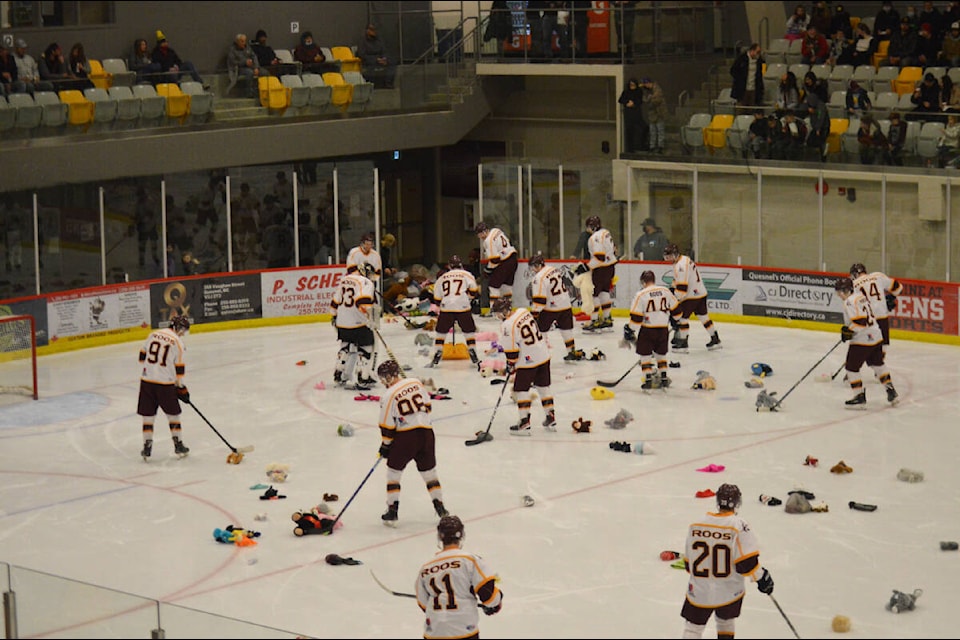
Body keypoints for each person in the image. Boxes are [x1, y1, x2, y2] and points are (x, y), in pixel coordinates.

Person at [680, 483, 774, 639]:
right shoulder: (739, 525)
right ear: (737, 503)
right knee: (725, 622)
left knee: (693, 629)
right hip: (729, 591)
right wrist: (762, 578)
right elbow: (746, 564)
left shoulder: (696, 524)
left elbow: (689, 565)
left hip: (699, 590)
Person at [375, 359, 449, 526]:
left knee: (394, 473)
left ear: (387, 377)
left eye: (382, 378)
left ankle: (392, 511)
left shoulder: (388, 396)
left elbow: (387, 424)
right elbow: (428, 407)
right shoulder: (416, 382)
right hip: (427, 433)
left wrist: (385, 445)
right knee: (429, 472)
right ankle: (441, 508)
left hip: (406, 437)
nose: (381, 382)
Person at [416, 515, 503, 639]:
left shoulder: (426, 568)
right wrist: (496, 602)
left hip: (434, 633)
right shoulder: (470, 561)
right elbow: (489, 596)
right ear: (461, 535)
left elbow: (423, 603)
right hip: (464, 631)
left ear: (440, 537)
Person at [492, 296, 556, 434]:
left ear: (503, 312)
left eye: (497, 312)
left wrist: (511, 364)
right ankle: (550, 416)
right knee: (543, 386)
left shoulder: (506, 326)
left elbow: (512, 353)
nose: (497, 316)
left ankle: (524, 422)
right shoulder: (523, 311)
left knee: (521, 390)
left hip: (528, 361)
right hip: (543, 354)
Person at [834, 276, 899, 407]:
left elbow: (861, 322)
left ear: (844, 291)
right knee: (878, 364)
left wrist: (848, 331)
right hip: (876, 335)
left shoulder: (849, 302)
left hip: (862, 340)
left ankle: (859, 396)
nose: (838, 295)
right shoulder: (861, 297)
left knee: (851, 368)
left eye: (839, 292)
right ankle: (891, 391)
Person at [137, 314, 192, 461]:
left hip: (147, 381)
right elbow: (179, 369)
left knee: (148, 416)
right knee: (173, 415)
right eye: (182, 330)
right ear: (176, 328)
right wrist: (181, 388)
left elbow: (141, 357)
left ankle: (146, 446)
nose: (183, 333)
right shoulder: (178, 343)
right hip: (165, 384)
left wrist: (152, 370)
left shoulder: (153, 334)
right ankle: (178, 445)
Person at [425, 255, 481, 368]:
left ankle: (438, 352)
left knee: (441, 332)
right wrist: (467, 298)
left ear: (449, 266)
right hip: (463, 305)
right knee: (469, 331)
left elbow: (437, 298)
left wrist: (444, 303)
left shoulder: (442, 277)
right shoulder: (467, 274)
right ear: (460, 265)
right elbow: (474, 290)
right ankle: (472, 351)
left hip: (447, 306)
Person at [627, 270, 680, 390]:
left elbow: (636, 317)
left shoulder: (641, 295)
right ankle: (664, 378)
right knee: (661, 355)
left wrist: (630, 329)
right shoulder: (665, 291)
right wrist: (676, 320)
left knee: (645, 356)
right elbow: (677, 309)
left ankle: (648, 380)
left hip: (648, 330)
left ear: (643, 281)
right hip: (663, 330)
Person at [528, 252, 585, 362]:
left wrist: (534, 314)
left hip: (551, 308)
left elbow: (540, 301)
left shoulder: (538, 278)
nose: (533, 270)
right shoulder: (553, 269)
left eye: (533, 267)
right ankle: (571, 352)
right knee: (566, 330)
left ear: (538, 265)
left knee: (541, 330)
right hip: (566, 305)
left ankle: (542, 354)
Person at [664, 243, 720, 352]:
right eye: (667, 256)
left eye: (670, 256)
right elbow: (681, 280)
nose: (668, 258)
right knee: (704, 317)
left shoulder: (680, 266)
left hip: (691, 296)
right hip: (701, 292)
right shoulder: (684, 259)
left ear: (675, 255)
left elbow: (682, 289)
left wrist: (675, 300)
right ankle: (715, 339)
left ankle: (683, 343)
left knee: (682, 319)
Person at [331, 267, 377, 390]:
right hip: (359, 322)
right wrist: (370, 317)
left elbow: (335, 302)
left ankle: (339, 374)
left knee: (345, 346)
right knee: (366, 348)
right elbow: (362, 302)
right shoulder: (366, 282)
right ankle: (363, 377)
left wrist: (334, 316)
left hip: (342, 321)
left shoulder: (345, 279)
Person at [850, 262, 903, 360]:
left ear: (855, 274)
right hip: (882, 316)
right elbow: (899, 288)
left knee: (861, 345)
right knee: (883, 346)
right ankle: (880, 369)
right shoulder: (878, 276)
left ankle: (853, 369)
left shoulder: (854, 285)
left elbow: (855, 306)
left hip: (869, 320)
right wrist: (891, 297)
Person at [582, 215, 618, 331]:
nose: (587, 229)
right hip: (610, 267)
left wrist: (586, 267)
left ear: (592, 227)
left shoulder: (594, 238)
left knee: (594, 293)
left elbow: (599, 258)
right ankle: (607, 318)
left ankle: (594, 320)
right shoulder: (606, 232)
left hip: (601, 269)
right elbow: (614, 249)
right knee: (604, 292)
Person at [475, 221, 518, 310]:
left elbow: (495, 260)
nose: (479, 237)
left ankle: (494, 309)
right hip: (513, 260)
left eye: (479, 235)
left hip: (505, 262)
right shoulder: (496, 230)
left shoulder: (488, 241)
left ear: (482, 232)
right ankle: (508, 308)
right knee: (507, 287)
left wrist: (487, 270)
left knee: (493, 286)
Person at [356, 23, 396, 89]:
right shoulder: (362, 41)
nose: (374, 31)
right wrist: (376, 59)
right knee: (371, 65)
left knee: (392, 62)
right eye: (372, 30)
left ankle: (388, 83)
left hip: (380, 59)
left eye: (375, 29)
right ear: (367, 31)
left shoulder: (378, 40)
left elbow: (384, 51)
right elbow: (362, 55)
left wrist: (384, 58)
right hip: (369, 61)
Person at [227, 33, 261, 99]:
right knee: (249, 73)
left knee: (264, 72)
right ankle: (249, 93)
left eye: (245, 41)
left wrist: (256, 67)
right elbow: (232, 62)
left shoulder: (248, 48)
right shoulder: (232, 50)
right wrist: (244, 62)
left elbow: (254, 57)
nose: (244, 43)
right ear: (237, 41)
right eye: (242, 41)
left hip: (251, 67)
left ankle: (263, 92)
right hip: (238, 69)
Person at [132, 186, 160, 268]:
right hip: (142, 228)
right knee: (142, 244)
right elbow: (136, 215)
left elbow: (150, 215)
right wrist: (134, 223)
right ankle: (141, 260)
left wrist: (142, 219)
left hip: (151, 226)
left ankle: (155, 257)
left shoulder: (149, 202)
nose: (140, 197)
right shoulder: (138, 204)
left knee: (153, 243)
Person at [729, 43, 764, 108]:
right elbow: (733, 71)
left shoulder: (759, 61)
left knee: (752, 109)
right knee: (741, 109)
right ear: (752, 51)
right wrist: (740, 80)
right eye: (757, 52)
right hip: (742, 89)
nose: (758, 54)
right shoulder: (741, 58)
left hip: (753, 89)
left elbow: (760, 75)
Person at [618, 77, 646, 153]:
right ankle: (630, 148)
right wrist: (627, 102)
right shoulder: (626, 91)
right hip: (629, 114)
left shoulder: (639, 91)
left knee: (644, 128)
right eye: (631, 85)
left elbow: (640, 101)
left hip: (636, 114)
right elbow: (620, 100)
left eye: (633, 85)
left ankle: (642, 146)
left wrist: (633, 103)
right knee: (629, 131)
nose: (632, 86)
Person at [642, 77, 667, 154]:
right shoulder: (646, 91)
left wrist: (651, 98)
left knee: (660, 130)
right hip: (651, 114)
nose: (646, 85)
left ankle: (660, 146)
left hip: (659, 113)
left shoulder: (657, 89)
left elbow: (658, 100)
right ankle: (652, 146)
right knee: (652, 131)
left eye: (647, 84)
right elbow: (644, 99)